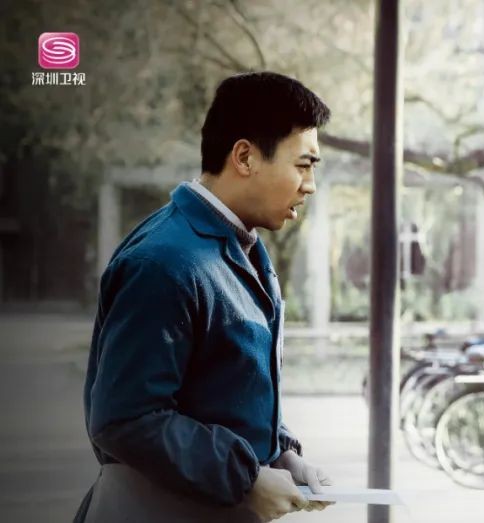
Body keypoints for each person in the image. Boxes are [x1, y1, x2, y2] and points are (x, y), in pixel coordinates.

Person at [76, 72, 333, 522]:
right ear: (245, 157)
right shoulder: (165, 261)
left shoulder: (242, 247)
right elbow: (125, 418)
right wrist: (244, 478)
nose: (309, 184)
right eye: (303, 164)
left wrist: (280, 454)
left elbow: (225, 389)